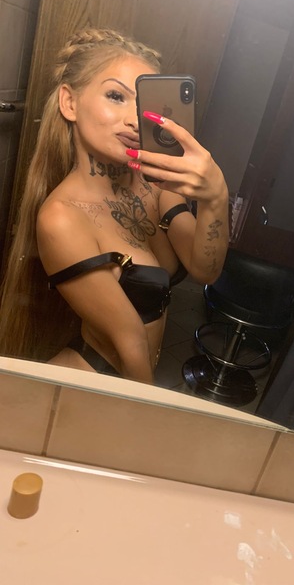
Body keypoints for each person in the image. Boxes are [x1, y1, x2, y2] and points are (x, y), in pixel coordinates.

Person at [0, 28, 229, 385]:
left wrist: (216, 197)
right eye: (115, 96)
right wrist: (144, 410)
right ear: (69, 103)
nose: (134, 120)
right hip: (97, 382)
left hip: (133, 380)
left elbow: (205, 270)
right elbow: (131, 342)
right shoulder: (62, 218)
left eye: (143, 105)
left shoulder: (155, 185)